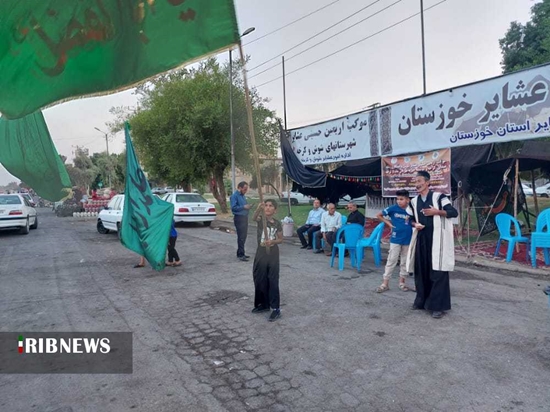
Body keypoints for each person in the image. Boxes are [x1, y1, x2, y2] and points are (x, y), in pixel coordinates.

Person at [406, 171, 458, 319]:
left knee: (438, 272)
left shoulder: (439, 197)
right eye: (415, 181)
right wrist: (415, 224)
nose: (417, 184)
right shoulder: (414, 202)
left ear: (427, 182)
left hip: (438, 240)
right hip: (422, 239)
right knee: (421, 271)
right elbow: (408, 219)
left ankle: (437, 306)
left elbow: (453, 212)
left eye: (419, 181)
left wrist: (437, 212)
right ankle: (421, 301)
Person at [375, 190, 414, 293]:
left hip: (408, 238)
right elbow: (379, 215)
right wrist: (388, 223)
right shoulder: (393, 208)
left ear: (407, 200)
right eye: (397, 199)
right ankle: (385, 284)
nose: (399, 201)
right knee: (392, 260)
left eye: (401, 199)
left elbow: (413, 221)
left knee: (405, 261)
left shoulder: (411, 210)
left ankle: (402, 283)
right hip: (396, 239)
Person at [251, 199, 283, 322]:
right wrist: (258, 208)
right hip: (261, 252)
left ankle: (275, 308)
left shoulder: (277, 223)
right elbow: (254, 217)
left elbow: (281, 239)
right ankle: (263, 304)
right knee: (260, 278)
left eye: (271, 206)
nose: (268, 208)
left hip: (273, 253)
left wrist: (272, 241)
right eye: (266, 205)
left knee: (273, 279)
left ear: (275, 210)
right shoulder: (261, 220)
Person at [230, 181, 252, 261]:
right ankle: (241, 254)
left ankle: (240, 252)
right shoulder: (234, 196)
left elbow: (244, 206)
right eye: (244, 189)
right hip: (239, 218)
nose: (245, 191)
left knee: (244, 236)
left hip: (244, 217)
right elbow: (233, 208)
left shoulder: (242, 196)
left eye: (246, 189)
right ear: (239, 188)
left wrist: (248, 206)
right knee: (241, 237)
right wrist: (243, 207)